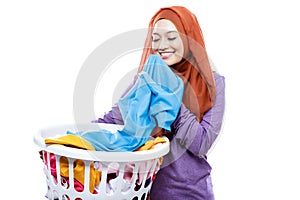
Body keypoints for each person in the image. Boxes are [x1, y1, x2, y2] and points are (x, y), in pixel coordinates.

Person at [95, 6, 225, 200]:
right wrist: (73, 144)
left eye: (172, 37)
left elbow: (202, 143)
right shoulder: (147, 79)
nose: (162, 45)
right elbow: (111, 121)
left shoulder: (213, 83)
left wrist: (169, 99)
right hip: (147, 193)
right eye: (156, 38)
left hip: (191, 194)